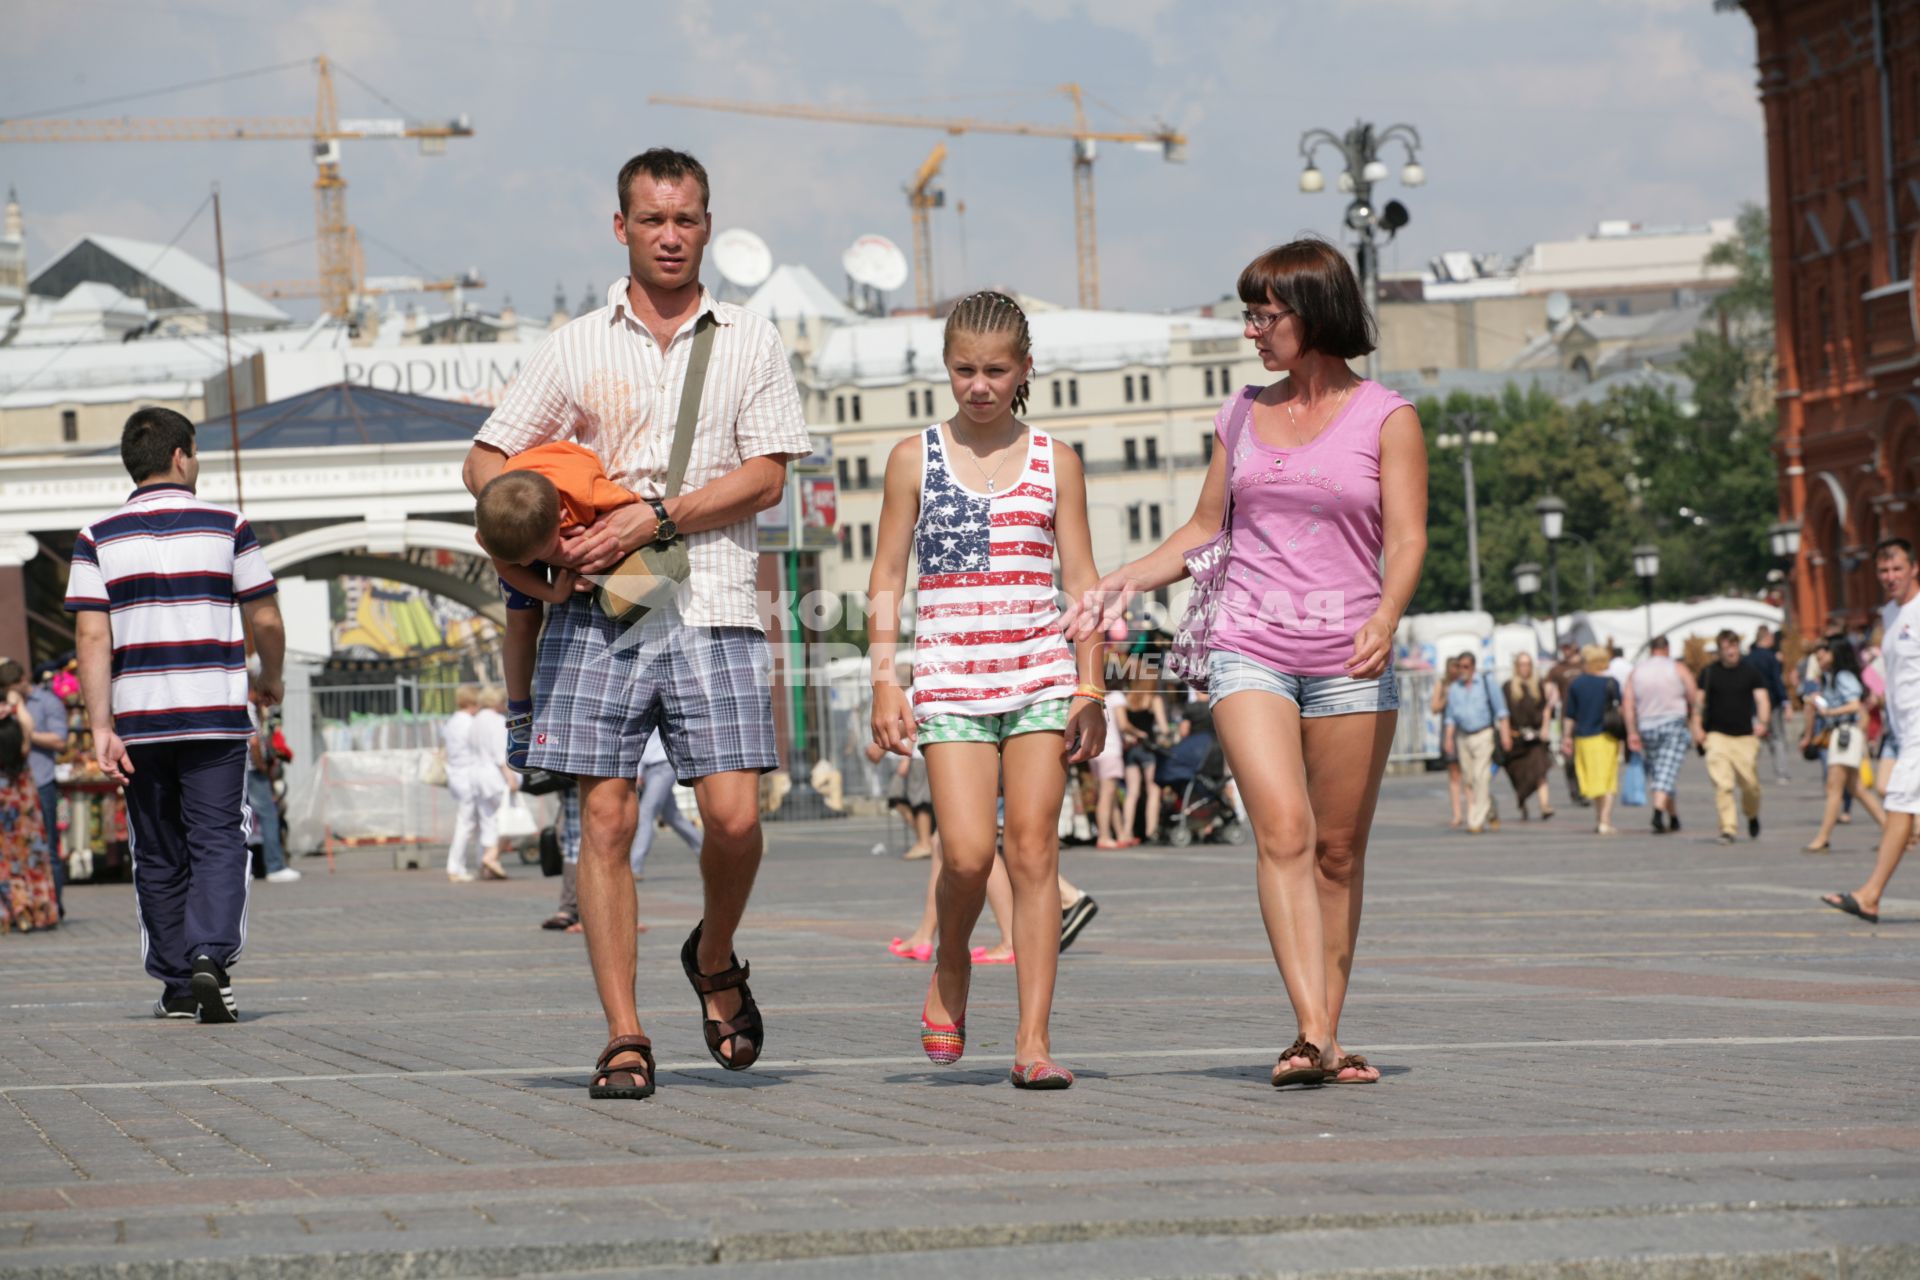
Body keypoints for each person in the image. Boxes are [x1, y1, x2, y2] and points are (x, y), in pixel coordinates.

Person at [461, 148, 812, 1101]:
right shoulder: (576, 344)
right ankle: (625, 1032)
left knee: (735, 818)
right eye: (653, 219)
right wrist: (540, 532)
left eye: (687, 219)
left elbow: (770, 474)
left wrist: (654, 516)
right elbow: (487, 459)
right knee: (605, 820)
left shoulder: (750, 338)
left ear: (707, 226)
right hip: (598, 610)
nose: (670, 235)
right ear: (621, 227)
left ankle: (716, 951)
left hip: (715, 597)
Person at [1065, 237, 1428, 1089]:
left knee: (1338, 852)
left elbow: (1409, 538)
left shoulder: (1388, 417)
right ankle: (1307, 1032)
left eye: (1266, 315)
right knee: (1285, 832)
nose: (1252, 331)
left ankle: (1328, 1036)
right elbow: (1203, 530)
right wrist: (1122, 580)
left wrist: (1386, 613)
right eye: (1248, 313)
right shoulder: (1239, 413)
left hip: (1349, 649)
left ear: (1316, 311)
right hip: (1247, 642)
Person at [869, 289, 1108, 1090]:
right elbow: (887, 578)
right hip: (951, 683)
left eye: (995, 370)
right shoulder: (914, 459)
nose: (978, 384)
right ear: (946, 368)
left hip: (1041, 676)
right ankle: (951, 959)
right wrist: (883, 679)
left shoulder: (1055, 461)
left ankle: (1033, 1040)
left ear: (1025, 370)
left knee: (1036, 852)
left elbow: (1081, 581)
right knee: (968, 854)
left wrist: (1092, 688)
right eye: (964, 369)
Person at [63, 406, 284, 1022]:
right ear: (182, 455)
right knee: (218, 840)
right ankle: (211, 957)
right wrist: (271, 675)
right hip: (213, 712)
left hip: (138, 719)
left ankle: (177, 984)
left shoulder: (96, 536)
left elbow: (91, 639)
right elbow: (263, 616)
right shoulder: (227, 525)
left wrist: (101, 727)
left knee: (157, 850)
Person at [472, 441, 639, 775]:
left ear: (563, 518)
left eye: (536, 556)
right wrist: (551, 593)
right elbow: (510, 567)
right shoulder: (498, 527)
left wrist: (590, 544)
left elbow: (634, 513)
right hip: (522, 522)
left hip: (564, 501)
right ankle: (519, 714)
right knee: (520, 623)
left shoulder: (592, 494)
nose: (528, 564)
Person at [1824, 539, 1920, 923]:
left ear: (1914, 568)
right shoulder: (1890, 613)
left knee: (1898, 800)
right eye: (1883, 571)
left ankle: (1871, 895)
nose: (1890, 577)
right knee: (1898, 798)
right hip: (1903, 729)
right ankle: (1871, 895)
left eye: (1897, 568)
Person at [1801, 635, 1886, 852]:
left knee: (1834, 787)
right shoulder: (1831, 677)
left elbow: (1854, 705)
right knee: (1856, 788)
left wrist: (1829, 711)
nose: (1821, 657)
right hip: (1843, 732)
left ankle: (1823, 837)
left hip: (1845, 733)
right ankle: (1891, 830)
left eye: (1825, 652)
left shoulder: (1843, 676)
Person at [1693, 628, 1772, 845]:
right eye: (1726, 648)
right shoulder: (1709, 673)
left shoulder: (1751, 672)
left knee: (1750, 785)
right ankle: (1728, 828)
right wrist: (1697, 728)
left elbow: (1762, 699)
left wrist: (1763, 723)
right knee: (1723, 785)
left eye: (1734, 646)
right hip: (1717, 736)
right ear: (1719, 651)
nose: (1731, 651)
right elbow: (1699, 703)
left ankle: (1752, 813)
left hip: (1745, 737)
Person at [7, 661, 68, 919]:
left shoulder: (47, 702)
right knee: (12, 850)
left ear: (23, 680)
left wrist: (24, 730)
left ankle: (53, 907)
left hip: (40, 781)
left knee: (48, 850)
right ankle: (19, 908)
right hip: (10, 785)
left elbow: (60, 740)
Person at [1625, 636, 1698, 835]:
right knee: (1666, 772)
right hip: (1672, 723)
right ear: (1667, 648)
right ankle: (1658, 812)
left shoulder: (1637, 671)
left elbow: (1628, 704)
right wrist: (1697, 721)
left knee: (1663, 771)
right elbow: (1694, 695)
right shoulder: (1677, 667)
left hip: (1647, 726)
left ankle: (1673, 817)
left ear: (1651, 650)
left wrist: (1632, 731)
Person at [0, 690, 57, 932]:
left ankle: (12, 911)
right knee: (30, 857)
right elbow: (27, 726)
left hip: (8, 807)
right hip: (23, 805)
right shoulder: (19, 739)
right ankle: (32, 910)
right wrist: (17, 705)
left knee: (6, 859)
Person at [1442, 651, 1511, 834]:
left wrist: (1505, 735)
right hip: (1463, 736)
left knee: (1481, 776)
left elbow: (1501, 711)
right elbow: (1450, 717)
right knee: (1470, 779)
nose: (1462, 670)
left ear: (1473, 667)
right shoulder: (1454, 688)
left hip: (1483, 733)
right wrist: (1448, 739)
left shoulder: (1486, 683)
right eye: (1459, 667)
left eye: (1465, 667)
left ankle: (1476, 820)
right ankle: (1491, 807)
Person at [1563, 645, 1623, 835]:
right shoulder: (1612, 682)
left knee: (1594, 779)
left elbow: (1569, 715)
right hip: (1607, 737)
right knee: (1608, 780)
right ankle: (1605, 819)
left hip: (1584, 738)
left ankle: (1600, 818)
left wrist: (1566, 737)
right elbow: (1620, 710)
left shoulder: (1577, 684)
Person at [629, 729, 701, 878]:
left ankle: (634, 867)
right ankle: (708, 852)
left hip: (664, 765)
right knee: (672, 817)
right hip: (648, 768)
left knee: (646, 813)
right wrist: (639, 771)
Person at [1501, 652, 1557, 820]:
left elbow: (1546, 709)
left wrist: (1546, 728)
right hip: (1517, 736)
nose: (1525, 668)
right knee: (1519, 774)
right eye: (1521, 664)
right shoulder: (1508, 687)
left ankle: (1544, 805)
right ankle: (1523, 802)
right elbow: (1504, 713)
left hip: (1535, 737)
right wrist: (1506, 734)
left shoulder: (1538, 685)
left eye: (1527, 664)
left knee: (1540, 770)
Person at [442, 686, 487, 883]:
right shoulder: (470, 723)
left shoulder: (452, 721)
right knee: (467, 823)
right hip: (469, 775)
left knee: (470, 822)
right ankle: (456, 866)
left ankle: (478, 862)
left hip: (456, 774)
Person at [1118, 674, 1169, 844]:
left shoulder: (1128, 699)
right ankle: (1151, 830)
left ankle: (1126, 832)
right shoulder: (1153, 699)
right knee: (1153, 790)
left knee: (1132, 792)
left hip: (1132, 749)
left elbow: (1125, 726)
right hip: (1149, 748)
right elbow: (1163, 728)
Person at [1746, 624, 1793, 784]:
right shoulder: (1771, 657)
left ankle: (1749, 771)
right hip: (1772, 702)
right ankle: (1782, 773)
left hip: (1752, 704)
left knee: (1754, 740)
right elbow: (1777, 681)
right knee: (1778, 738)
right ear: (1766, 638)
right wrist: (1786, 701)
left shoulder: (1748, 658)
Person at [1545, 640, 1588, 807]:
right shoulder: (1558, 669)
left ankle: (1586, 788)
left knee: (1586, 755)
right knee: (1569, 757)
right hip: (1567, 716)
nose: (1565, 650)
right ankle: (1575, 791)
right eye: (1563, 647)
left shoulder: (1586, 666)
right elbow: (1548, 688)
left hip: (1587, 716)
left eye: (1568, 647)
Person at [1430, 655, 1465, 827]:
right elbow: (1434, 708)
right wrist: (1447, 697)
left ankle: (1474, 809)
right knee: (1454, 774)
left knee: (1469, 773)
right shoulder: (1442, 684)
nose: (1456, 671)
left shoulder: (1465, 683)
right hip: (1449, 731)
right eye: (1453, 667)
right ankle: (1457, 814)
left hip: (1465, 729)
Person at [1091, 688, 1127, 847]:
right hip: (1111, 749)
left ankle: (1120, 834)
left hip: (1096, 751)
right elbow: (1123, 724)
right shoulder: (1117, 696)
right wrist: (1138, 733)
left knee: (1109, 795)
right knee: (1107, 796)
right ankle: (1104, 836)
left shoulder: (1096, 697)